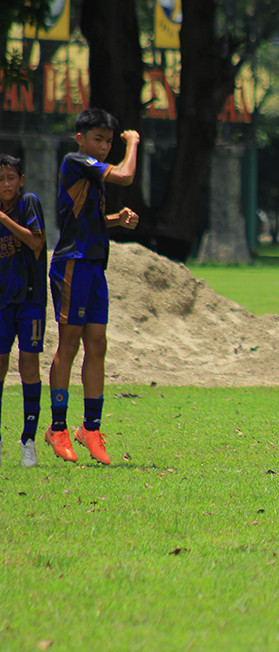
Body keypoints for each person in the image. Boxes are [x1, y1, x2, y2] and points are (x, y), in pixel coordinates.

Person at [46, 108, 140, 465]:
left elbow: (85, 218)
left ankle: (91, 428)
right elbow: (128, 175)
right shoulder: (76, 160)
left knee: (97, 343)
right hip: (73, 262)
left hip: (95, 264)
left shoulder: (91, 174)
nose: (104, 147)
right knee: (69, 343)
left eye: (110, 141)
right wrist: (132, 143)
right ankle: (57, 428)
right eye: (98, 139)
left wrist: (117, 219)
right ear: (81, 139)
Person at [0, 154, 46, 467]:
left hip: (30, 300)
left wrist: (2, 219)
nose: (6, 184)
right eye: (1, 179)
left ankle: (28, 440)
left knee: (29, 365)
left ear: (21, 181)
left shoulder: (29, 203)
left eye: (11, 178)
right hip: (1, 302)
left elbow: (36, 243)